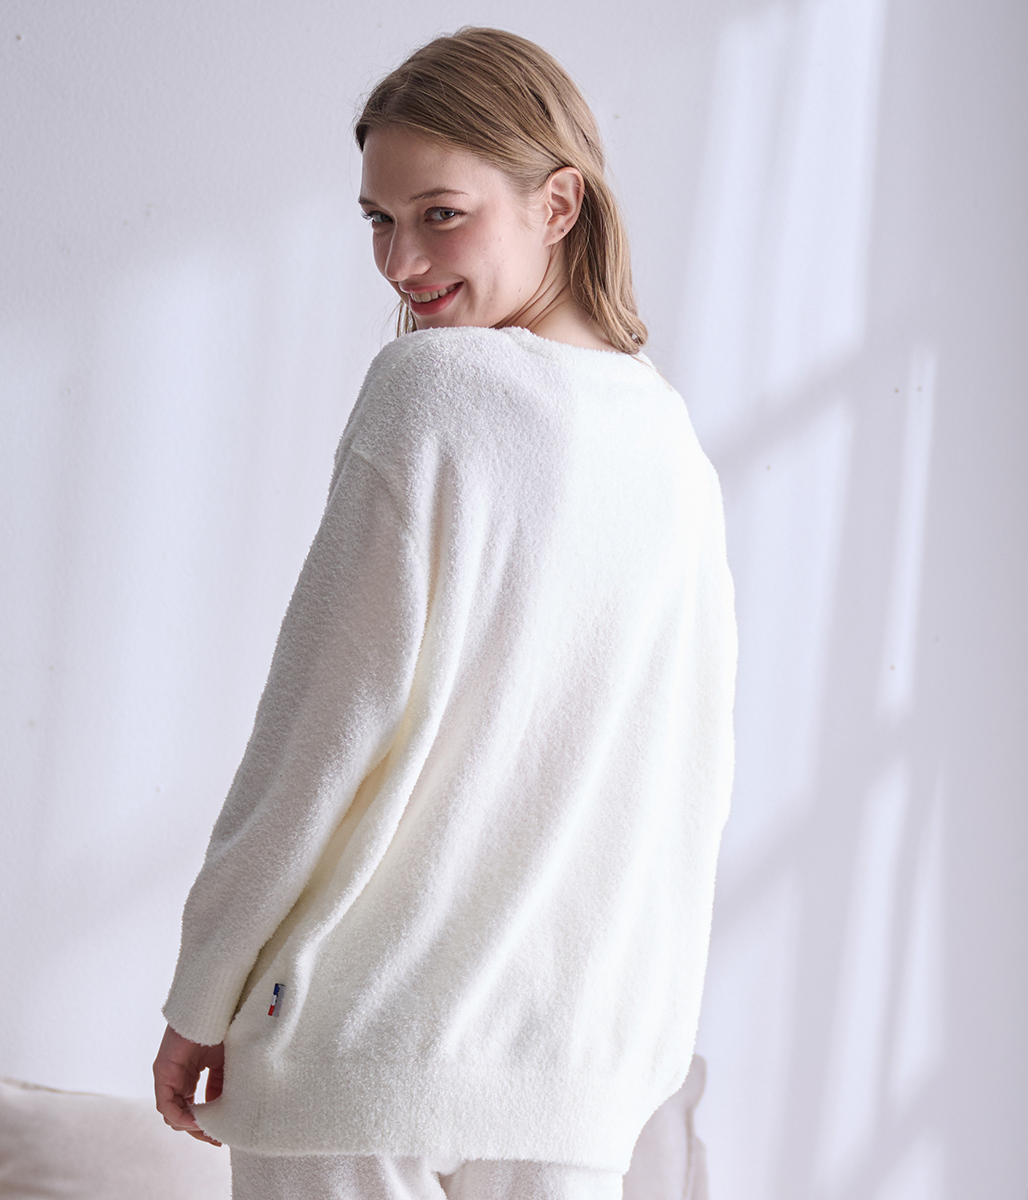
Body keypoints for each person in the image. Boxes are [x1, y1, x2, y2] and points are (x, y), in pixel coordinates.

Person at [153, 26, 736, 1200]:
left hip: (359, 1055)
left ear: (558, 204)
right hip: (572, 1083)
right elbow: (687, 785)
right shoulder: (672, 443)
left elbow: (318, 732)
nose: (401, 261)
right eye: (379, 219)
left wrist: (201, 994)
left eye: (441, 215)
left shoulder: (429, 389)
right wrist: (629, 1070)